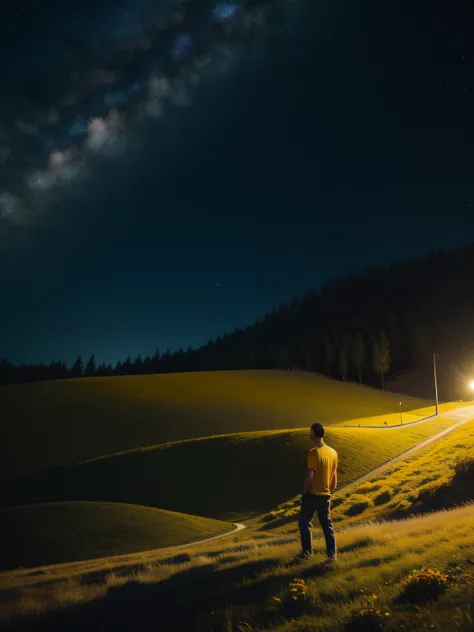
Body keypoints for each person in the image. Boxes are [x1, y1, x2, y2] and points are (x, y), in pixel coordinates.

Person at [296, 422, 338, 562]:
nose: (309, 434)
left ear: (314, 433)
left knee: (304, 523)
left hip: (312, 495)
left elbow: (310, 475)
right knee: (327, 527)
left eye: (310, 432)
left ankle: (306, 552)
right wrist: (328, 492)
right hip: (325, 496)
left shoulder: (313, 453)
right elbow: (334, 478)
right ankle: (332, 555)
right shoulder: (333, 453)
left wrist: (304, 492)